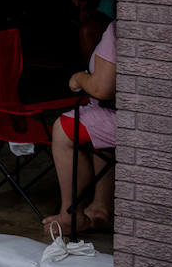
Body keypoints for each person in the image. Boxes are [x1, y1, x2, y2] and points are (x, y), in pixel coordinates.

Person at [43, 20, 117, 236]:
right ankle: (101, 209)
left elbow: (101, 88)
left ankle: (71, 216)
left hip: (127, 119)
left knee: (64, 128)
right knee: (96, 128)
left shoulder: (120, 28)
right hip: (154, 117)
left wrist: (79, 78)